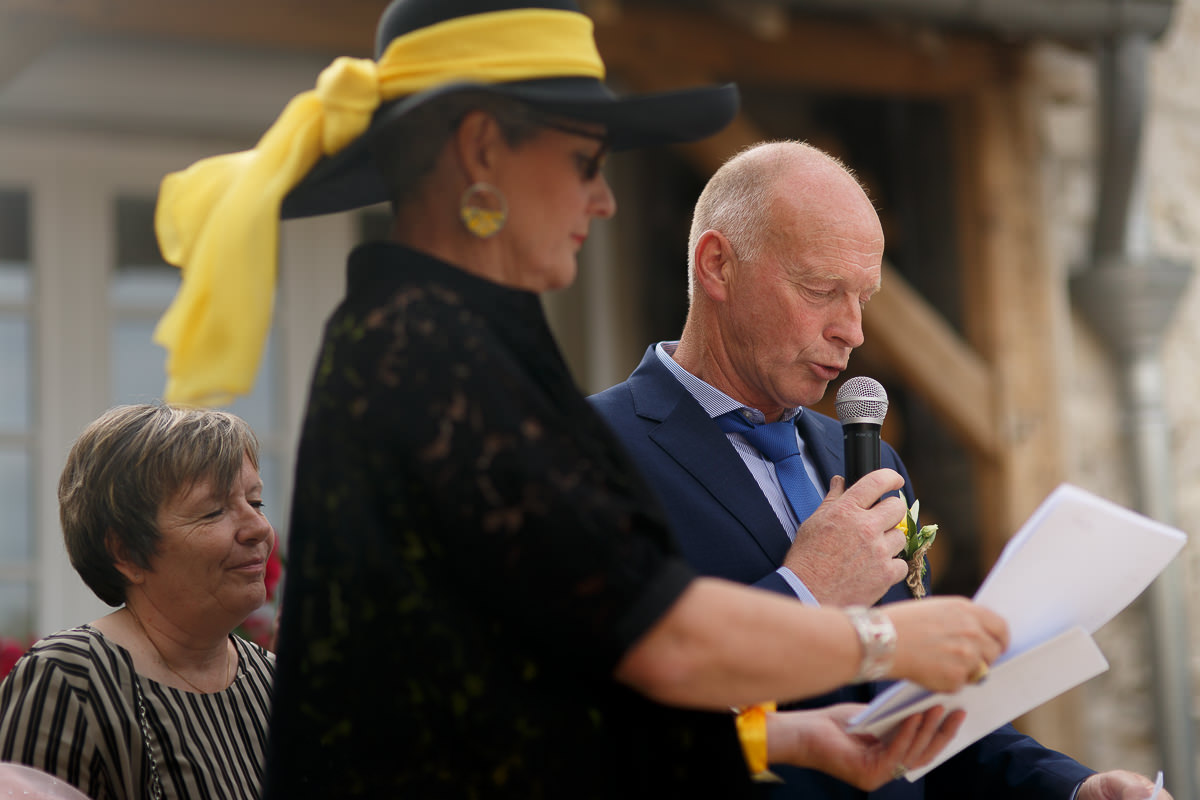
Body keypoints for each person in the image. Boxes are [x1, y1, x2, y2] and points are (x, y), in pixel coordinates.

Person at [148, 1, 1010, 796]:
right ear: (483, 150)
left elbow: (542, 692)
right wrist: (888, 639)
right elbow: (656, 638)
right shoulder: (426, 351)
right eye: (584, 161)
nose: (601, 200)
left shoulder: (437, 338)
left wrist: (779, 741)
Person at [589, 140, 1172, 800]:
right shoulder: (588, 452)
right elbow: (595, 724)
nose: (853, 330)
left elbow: (921, 720)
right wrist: (805, 592)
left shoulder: (865, 459)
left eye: (863, 295)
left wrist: (1072, 789)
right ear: (718, 265)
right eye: (821, 290)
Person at [0, 404, 277, 799]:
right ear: (127, 552)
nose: (259, 528)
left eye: (256, 502)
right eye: (213, 511)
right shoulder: (72, 679)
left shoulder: (271, 680)